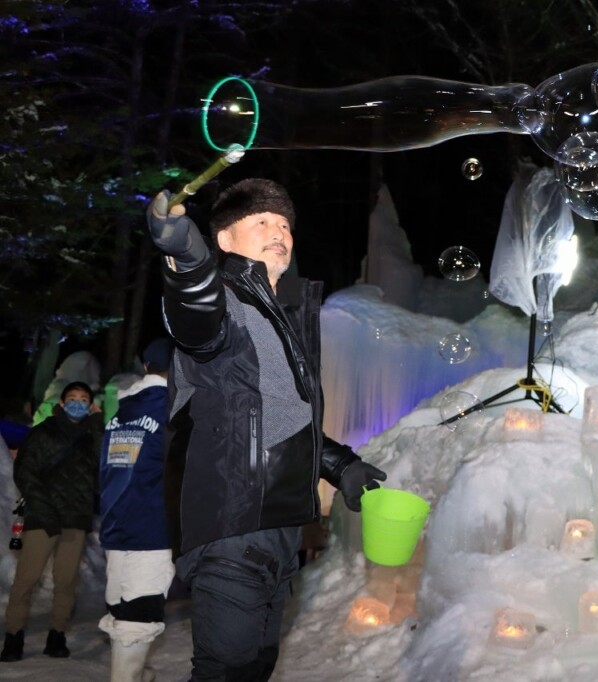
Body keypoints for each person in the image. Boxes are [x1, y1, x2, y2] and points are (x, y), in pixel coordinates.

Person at [146, 178, 387, 679]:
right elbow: (194, 306)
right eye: (260, 221)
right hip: (233, 519)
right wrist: (183, 250)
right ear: (225, 240)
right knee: (227, 666)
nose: (278, 231)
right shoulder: (224, 303)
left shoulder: (281, 316)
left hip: (278, 529)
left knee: (256, 665)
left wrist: (340, 465)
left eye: (283, 224)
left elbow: (282, 418)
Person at [1, 381, 103, 662]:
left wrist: (97, 424)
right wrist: (44, 511)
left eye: (84, 399)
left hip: (75, 520)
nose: (78, 403)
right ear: (61, 403)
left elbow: (102, 469)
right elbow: (25, 472)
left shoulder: (93, 435)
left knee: (66, 581)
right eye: (73, 398)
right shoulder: (43, 432)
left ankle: (57, 635)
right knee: (26, 580)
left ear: (91, 405)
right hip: (42, 520)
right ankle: (13, 637)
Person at [98, 337, 176, 681]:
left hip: (117, 526)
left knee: (121, 609)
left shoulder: (121, 414)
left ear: (145, 367)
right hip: (152, 528)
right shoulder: (173, 411)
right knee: (138, 616)